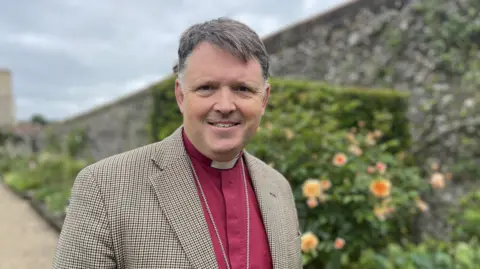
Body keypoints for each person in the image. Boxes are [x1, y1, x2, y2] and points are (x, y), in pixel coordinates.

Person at [52, 17, 301, 269]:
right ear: (181, 96)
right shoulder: (104, 187)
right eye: (206, 87)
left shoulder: (278, 188)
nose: (225, 106)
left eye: (243, 89)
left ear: (264, 99)